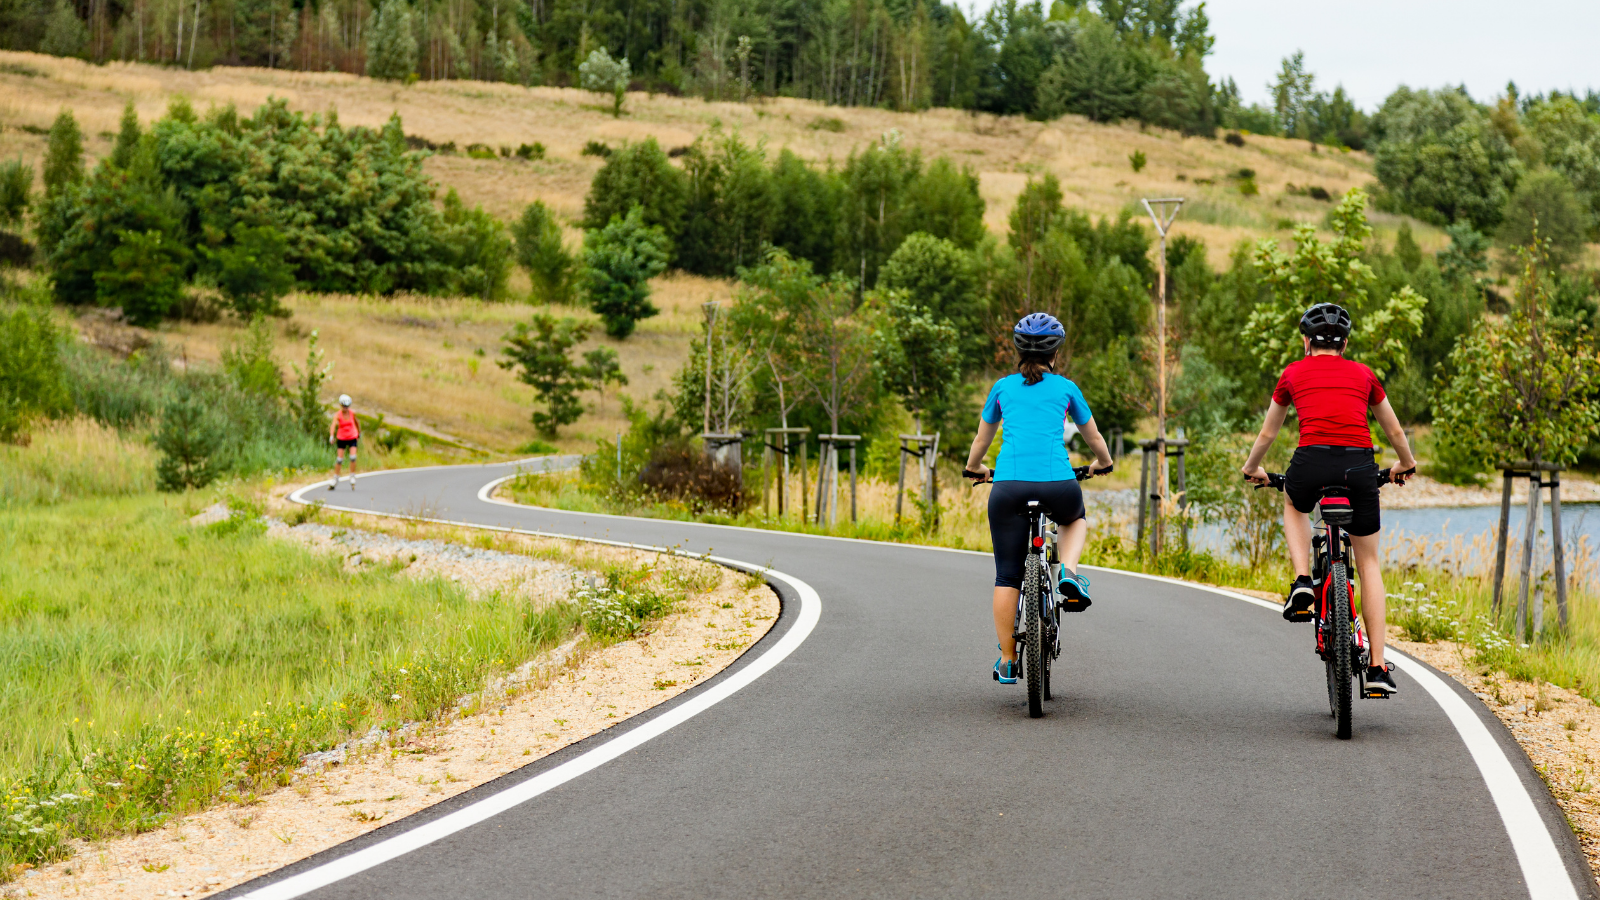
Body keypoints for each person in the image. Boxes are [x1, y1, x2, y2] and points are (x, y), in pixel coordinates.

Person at [1240, 303, 1417, 696]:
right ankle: (1375, 667)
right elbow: (1394, 430)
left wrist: (1253, 468)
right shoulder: (1364, 374)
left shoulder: (1292, 373)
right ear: (1345, 342)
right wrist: (1404, 463)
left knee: (1292, 501)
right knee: (1368, 562)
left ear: (1306, 342)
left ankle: (1303, 580)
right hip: (1358, 466)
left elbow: (1268, 434)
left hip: (1311, 461)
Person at [964, 313, 1114, 685]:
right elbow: (1094, 438)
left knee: (1007, 576)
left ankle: (1008, 660)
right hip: (1057, 484)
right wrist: (1103, 464)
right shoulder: (1066, 388)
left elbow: (981, 442)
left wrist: (975, 469)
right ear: (1055, 352)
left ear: (1018, 350)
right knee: (1074, 518)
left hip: (1008, 487)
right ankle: (1069, 572)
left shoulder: (1002, 388)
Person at [329, 394, 361, 490]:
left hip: (352, 436)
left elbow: (357, 423)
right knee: (339, 459)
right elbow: (333, 425)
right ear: (341, 405)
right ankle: (335, 478)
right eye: (344, 406)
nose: (345, 408)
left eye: (347, 406)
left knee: (352, 457)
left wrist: (359, 433)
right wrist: (331, 435)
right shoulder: (337, 415)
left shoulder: (352, 413)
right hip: (342, 437)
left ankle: (352, 476)